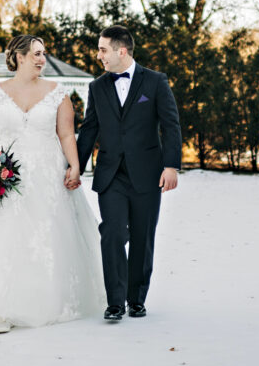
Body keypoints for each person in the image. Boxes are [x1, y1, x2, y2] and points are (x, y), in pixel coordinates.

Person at [0, 35, 103, 334]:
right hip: (6, 175)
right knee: (7, 238)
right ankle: (5, 306)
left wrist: (76, 165)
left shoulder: (58, 93)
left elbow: (66, 135)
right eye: (37, 54)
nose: (42, 59)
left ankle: (45, 299)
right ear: (20, 57)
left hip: (48, 177)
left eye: (44, 54)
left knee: (45, 239)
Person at [75, 25, 182, 322]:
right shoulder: (97, 87)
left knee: (142, 237)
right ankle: (115, 302)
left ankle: (136, 299)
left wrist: (171, 165)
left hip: (148, 175)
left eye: (103, 49)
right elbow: (89, 130)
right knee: (111, 233)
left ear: (122, 51)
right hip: (111, 176)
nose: (99, 56)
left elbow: (171, 125)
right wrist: (75, 167)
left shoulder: (156, 82)